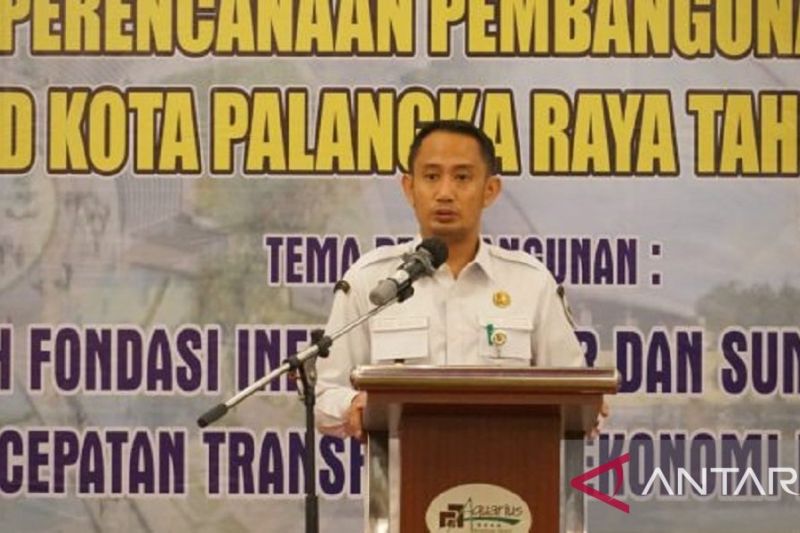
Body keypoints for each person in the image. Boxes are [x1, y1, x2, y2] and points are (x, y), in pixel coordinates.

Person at [315, 119, 588, 440]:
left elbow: (577, 396)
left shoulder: (531, 283)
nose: (445, 193)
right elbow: (326, 396)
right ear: (409, 188)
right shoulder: (372, 280)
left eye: (462, 177)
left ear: (490, 190)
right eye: (431, 177)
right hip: (401, 468)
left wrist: (584, 407)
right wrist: (353, 405)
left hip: (509, 467)